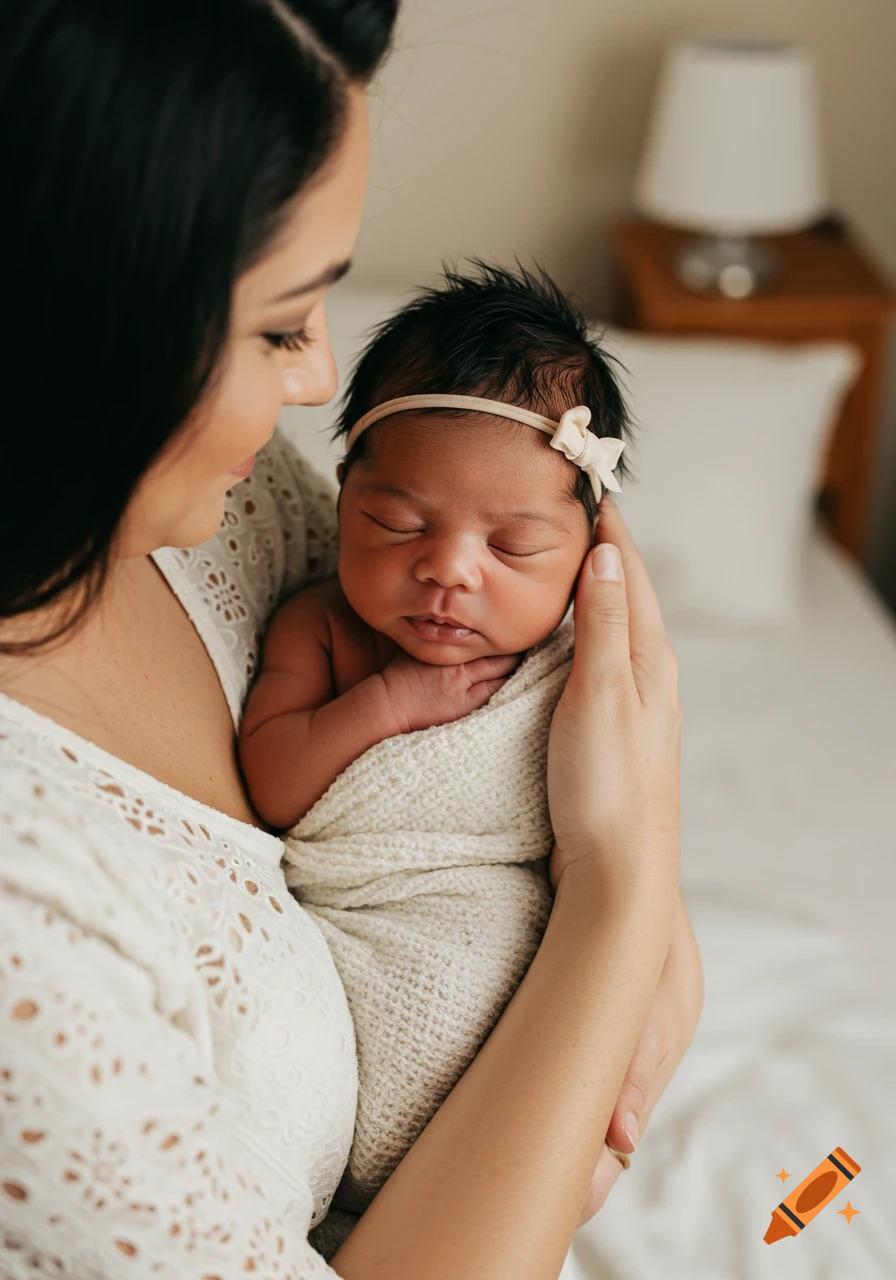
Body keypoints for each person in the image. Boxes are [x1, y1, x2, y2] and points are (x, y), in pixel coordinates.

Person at [0, 2, 701, 1277]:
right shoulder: (26, 928)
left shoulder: (217, 503)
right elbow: (616, 842)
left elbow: (578, 715)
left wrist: (641, 919)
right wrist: (618, 900)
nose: (320, 382)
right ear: (74, 324)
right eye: (280, 321)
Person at [239, 263, 639, 1241]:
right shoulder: (320, 630)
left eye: (512, 549)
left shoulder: (571, 665)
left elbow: (616, 833)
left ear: (588, 545)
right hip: (375, 921)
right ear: (343, 498)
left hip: (517, 950)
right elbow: (276, 783)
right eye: (398, 523)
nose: (448, 570)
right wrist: (387, 698)